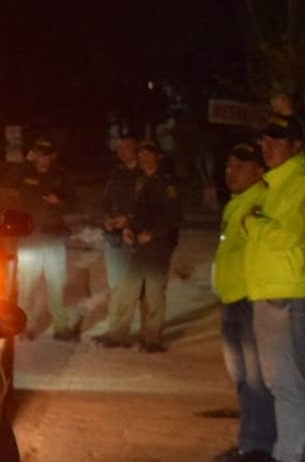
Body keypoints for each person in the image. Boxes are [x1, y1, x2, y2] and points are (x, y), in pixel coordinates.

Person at [242, 112, 305, 462]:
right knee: (278, 381)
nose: (268, 147)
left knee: (288, 382)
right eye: (265, 141)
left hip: (287, 292)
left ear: (296, 146)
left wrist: (254, 222)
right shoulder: (277, 184)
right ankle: (283, 456)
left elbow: (288, 237)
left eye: (277, 140)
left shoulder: (303, 183)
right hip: (270, 290)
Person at [211, 142, 275, 462]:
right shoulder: (237, 203)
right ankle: (248, 441)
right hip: (233, 298)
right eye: (228, 166)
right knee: (241, 377)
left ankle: (259, 447)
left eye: (239, 166)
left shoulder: (263, 199)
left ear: (259, 170)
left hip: (252, 299)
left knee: (256, 378)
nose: (230, 172)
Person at [93, 139, 182, 352]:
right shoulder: (141, 180)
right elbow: (136, 210)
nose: (144, 158)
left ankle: (152, 338)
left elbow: (173, 216)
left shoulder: (167, 182)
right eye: (141, 154)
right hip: (138, 244)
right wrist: (129, 227)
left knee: (153, 292)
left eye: (149, 154)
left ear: (158, 157)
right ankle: (118, 333)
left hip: (158, 245)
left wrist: (152, 233)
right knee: (127, 289)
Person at [15, 137, 79, 341]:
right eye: (39, 155)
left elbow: (74, 203)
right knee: (26, 286)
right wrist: (25, 163)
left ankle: (61, 327)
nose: (43, 159)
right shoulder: (25, 174)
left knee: (56, 284)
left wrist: (59, 201)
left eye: (47, 155)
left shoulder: (60, 177)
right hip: (30, 238)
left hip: (53, 237)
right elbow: (7, 182)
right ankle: (25, 327)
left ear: (52, 157)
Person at [102, 135, 141, 297]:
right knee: (116, 282)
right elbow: (105, 200)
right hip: (116, 234)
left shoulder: (146, 174)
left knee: (140, 282)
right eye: (119, 149)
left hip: (138, 234)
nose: (121, 152)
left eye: (125, 148)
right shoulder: (116, 173)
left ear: (135, 150)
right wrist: (107, 218)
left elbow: (154, 207)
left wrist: (129, 219)